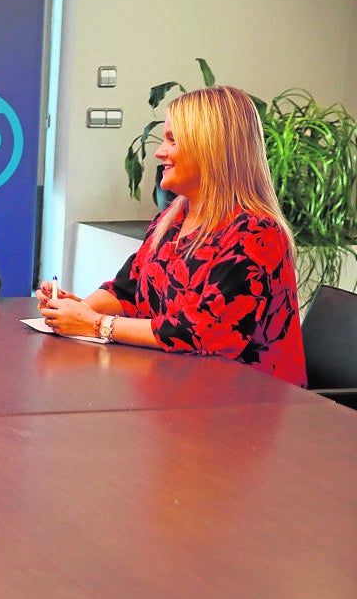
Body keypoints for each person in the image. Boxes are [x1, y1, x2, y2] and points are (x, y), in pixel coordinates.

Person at [37, 86, 306, 386]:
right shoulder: (172, 220)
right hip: (180, 392)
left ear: (210, 149)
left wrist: (97, 325)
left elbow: (205, 334)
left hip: (247, 406)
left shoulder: (255, 233)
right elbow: (128, 291)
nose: (159, 152)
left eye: (172, 140)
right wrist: (75, 310)